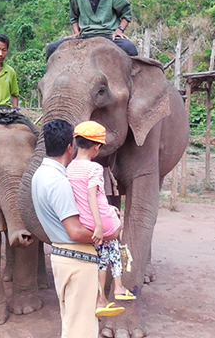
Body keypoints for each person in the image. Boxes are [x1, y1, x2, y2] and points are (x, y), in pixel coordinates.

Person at [31, 120, 123, 338]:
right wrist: (112, 232)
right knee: (82, 329)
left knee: (72, 324)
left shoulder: (39, 176)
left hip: (61, 258)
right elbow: (75, 231)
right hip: (78, 259)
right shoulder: (59, 182)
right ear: (70, 147)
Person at [66, 121, 136, 312]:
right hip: (100, 220)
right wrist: (100, 224)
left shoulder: (69, 168)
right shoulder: (94, 168)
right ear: (96, 147)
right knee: (114, 236)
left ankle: (101, 298)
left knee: (103, 254)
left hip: (84, 221)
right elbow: (92, 196)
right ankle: (119, 286)